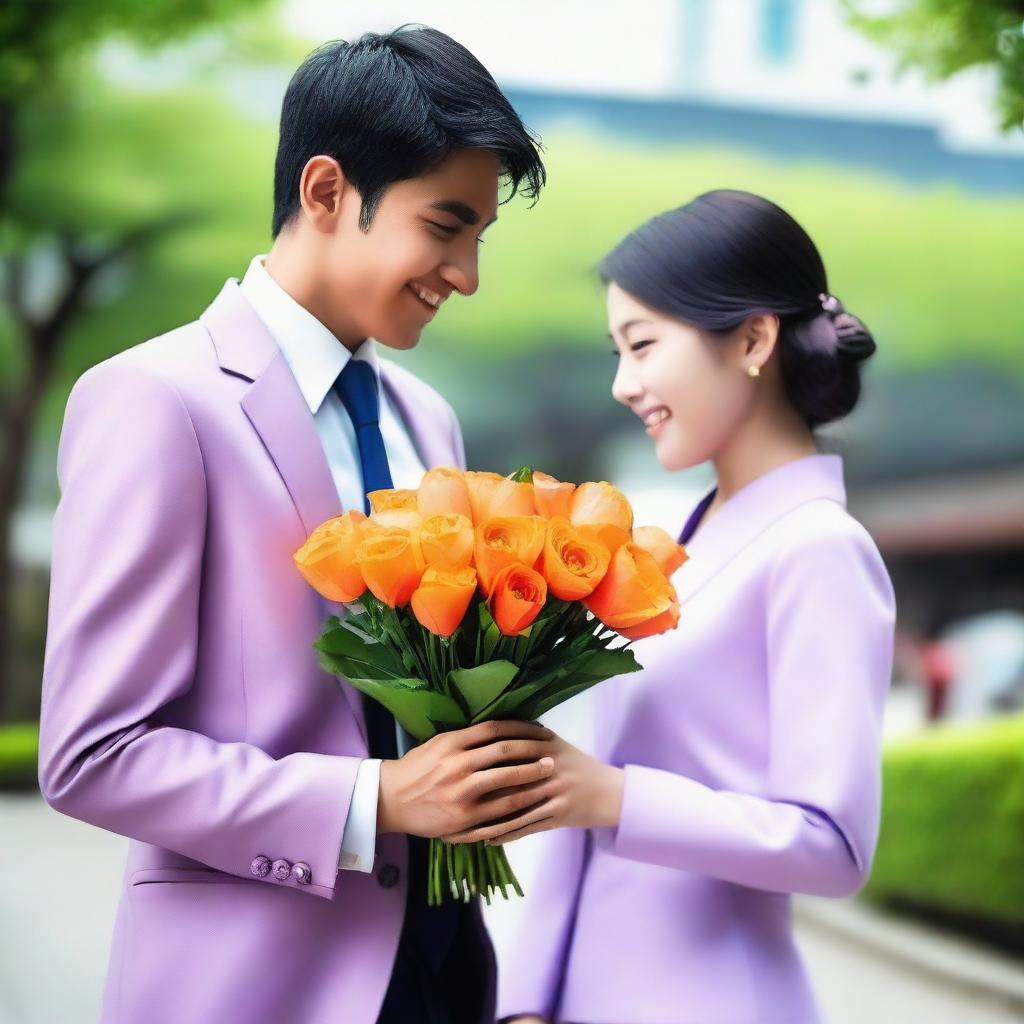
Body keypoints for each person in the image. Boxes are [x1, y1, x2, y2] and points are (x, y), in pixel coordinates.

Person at [37, 26, 550, 1024]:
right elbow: (93, 752)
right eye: (444, 226)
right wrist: (379, 801)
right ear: (325, 193)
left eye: (479, 237)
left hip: (447, 977)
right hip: (253, 984)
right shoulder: (156, 401)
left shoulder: (425, 417)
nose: (466, 273)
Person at [485, 190, 897, 1024]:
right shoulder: (677, 543)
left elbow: (834, 846)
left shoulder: (818, 548)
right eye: (615, 350)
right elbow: (587, 787)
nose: (621, 383)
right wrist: (530, 997)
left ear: (752, 339)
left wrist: (613, 797)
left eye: (642, 346)